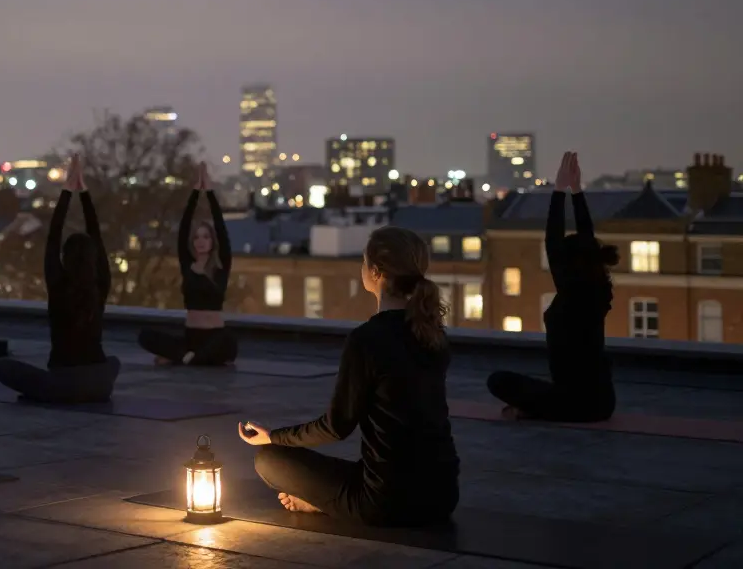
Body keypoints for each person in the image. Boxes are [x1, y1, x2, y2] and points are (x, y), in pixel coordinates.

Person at [238, 226, 460, 527]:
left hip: (386, 501)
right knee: (370, 467)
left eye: (363, 262)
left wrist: (274, 436)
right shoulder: (433, 334)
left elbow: (336, 427)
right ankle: (325, 499)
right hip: (442, 496)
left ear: (376, 272)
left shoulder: (368, 339)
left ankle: (319, 503)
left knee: (269, 460)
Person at [487, 151, 618, 422]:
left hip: (574, 403)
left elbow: (553, 240)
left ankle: (534, 411)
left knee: (498, 381)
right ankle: (537, 408)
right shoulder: (599, 291)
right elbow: (585, 237)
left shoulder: (572, 294)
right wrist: (576, 191)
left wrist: (560, 190)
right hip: (604, 402)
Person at [0, 153, 121, 403]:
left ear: (65, 258)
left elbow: (53, 236)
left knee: (3, 367)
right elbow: (96, 235)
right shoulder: (99, 284)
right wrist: (83, 194)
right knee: (114, 362)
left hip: (64, 383)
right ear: (93, 259)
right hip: (99, 384)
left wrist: (66, 191)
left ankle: (51, 391)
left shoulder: (58, 284)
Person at [137, 161, 237, 366]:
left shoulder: (220, 266)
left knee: (229, 341)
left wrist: (208, 192)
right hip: (191, 337)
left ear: (212, 241)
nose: (201, 241)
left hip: (215, 337)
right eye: (197, 238)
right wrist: (194, 193)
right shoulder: (188, 265)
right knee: (144, 336)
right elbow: (182, 230)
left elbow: (221, 227)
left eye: (206, 237)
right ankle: (192, 357)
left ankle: (186, 357)